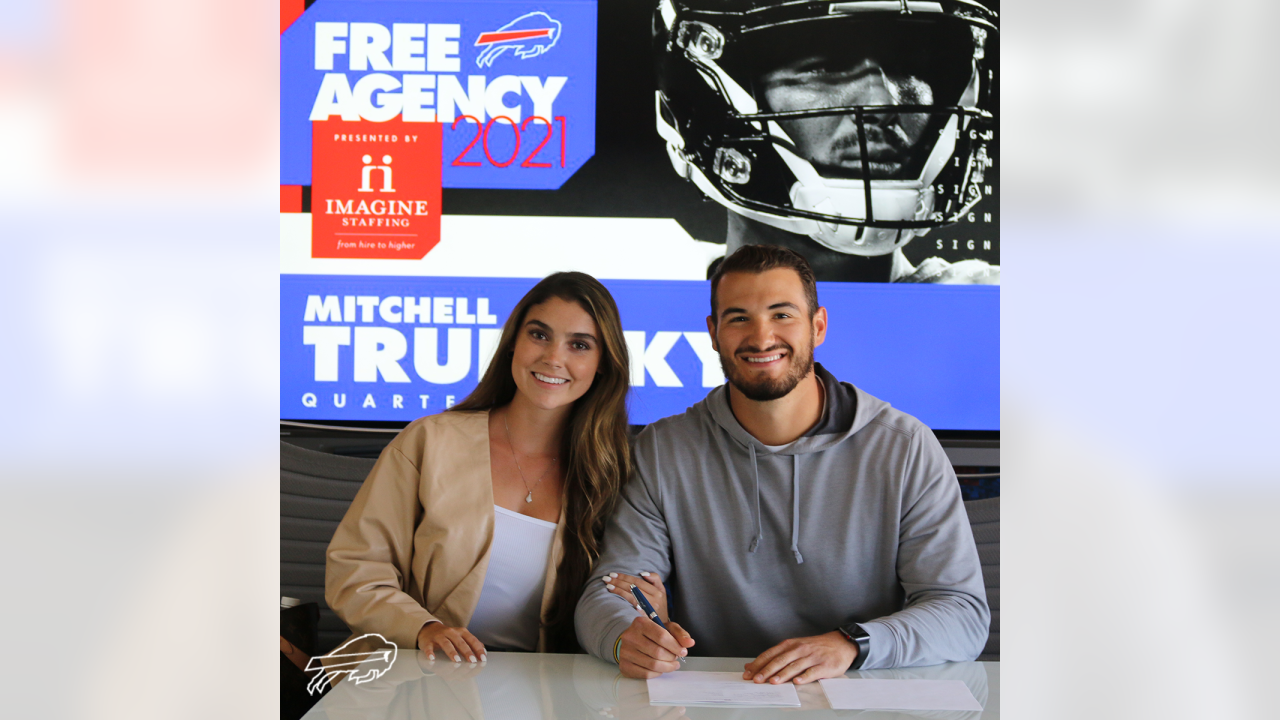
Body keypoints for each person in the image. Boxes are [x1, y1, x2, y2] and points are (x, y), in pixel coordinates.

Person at [575, 245, 989, 682]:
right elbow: (606, 595)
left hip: (860, 702)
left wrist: (850, 644)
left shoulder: (904, 447)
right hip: (717, 702)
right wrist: (627, 636)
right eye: (739, 318)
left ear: (818, 326)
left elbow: (961, 614)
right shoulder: (662, 449)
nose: (761, 337)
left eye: (782, 314)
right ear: (714, 333)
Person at [325, 272, 653, 662]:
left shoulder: (614, 472)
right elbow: (355, 570)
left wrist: (650, 606)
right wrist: (423, 628)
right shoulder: (430, 440)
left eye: (579, 345)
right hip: (414, 679)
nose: (553, 357)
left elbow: (616, 593)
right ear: (513, 341)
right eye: (539, 335)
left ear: (602, 363)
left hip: (544, 692)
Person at [653, 0, 999, 283]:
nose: (885, 103)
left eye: (909, 66)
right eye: (822, 67)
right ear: (710, 97)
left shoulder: (1000, 312)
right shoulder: (624, 304)